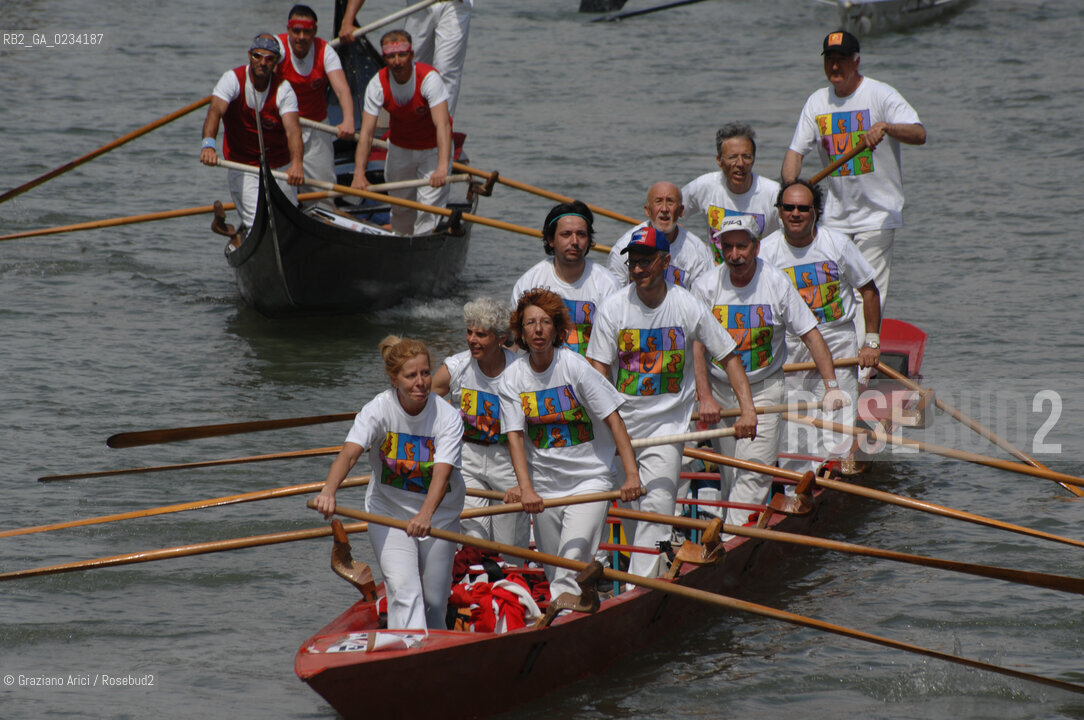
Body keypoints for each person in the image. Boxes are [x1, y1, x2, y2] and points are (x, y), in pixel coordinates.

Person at [587, 226, 756, 577]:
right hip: (620, 426)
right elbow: (598, 372)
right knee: (631, 512)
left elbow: (728, 355)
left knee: (656, 509)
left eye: (646, 262)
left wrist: (748, 408)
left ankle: (641, 588)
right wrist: (606, 427)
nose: (637, 269)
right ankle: (649, 568)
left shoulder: (686, 305)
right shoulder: (613, 309)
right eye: (633, 262)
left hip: (667, 429)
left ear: (665, 262)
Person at [691, 214, 847, 536]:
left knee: (755, 474)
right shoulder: (705, 286)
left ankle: (731, 540)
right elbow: (696, 345)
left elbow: (811, 334)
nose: (735, 254)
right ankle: (729, 533)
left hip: (764, 390)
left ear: (756, 247)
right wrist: (704, 395)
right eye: (728, 246)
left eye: (742, 246)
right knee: (731, 472)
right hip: (720, 390)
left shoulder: (775, 282)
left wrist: (831, 386)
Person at [498, 288, 643, 600]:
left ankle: (558, 628)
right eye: (530, 323)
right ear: (520, 332)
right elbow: (514, 436)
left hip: (590, 482)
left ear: (557, 329)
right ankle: (583, 608)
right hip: (544, 487)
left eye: (545, 322)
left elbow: (614, 420)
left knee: (568, 567)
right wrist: (525, 488)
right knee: (557, 572)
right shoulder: (512, 379)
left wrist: (631, 476)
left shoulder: (575, 367)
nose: (538, 330)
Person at [312, 335, 465, 631]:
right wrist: (329, 490)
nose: (420, 382)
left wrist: (425, 515)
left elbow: (442, 473)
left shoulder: (447, 417)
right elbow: (349, 455)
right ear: (394, 379)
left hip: (440, 515)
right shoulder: (378, 410)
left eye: (425, 373)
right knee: (405, 592)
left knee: (434, 601)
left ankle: (434, 650)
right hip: (389, 513)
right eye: (411, 376)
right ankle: (409, 652)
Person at [781, 30, 926, 339]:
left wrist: (887, 127)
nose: (835, 67)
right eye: (829, 60)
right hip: (834, 216)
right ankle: (832, 354)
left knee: (866, 290)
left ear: (856, 61)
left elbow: (919, 133)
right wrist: (790, 188)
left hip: (877, 215)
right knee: (830, 289)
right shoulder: (817, 102)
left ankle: (862, 362)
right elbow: (795, 152)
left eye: (842, 60)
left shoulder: (880, 94)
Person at [760, 179, 881, 474]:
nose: (796, 214)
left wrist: (872, 342)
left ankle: (834, 475)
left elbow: (868, 290)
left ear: (816, 212)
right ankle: (796, 484)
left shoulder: (837, 244)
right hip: (789, 346)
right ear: (779, 212)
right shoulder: (765, 251)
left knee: (837, 419)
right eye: (789, 208)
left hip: (837, 341)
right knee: (794, 424)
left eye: (804, 208)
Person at [432, 296, 529, 559]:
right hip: (469, 460)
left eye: (481, 334)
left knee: (510, 548)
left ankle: (513, 584)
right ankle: (478, 588)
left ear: (500, 338)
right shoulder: (457, 367)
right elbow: (422, 398)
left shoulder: (520, 370)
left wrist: (525, 483)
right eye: (469, 332)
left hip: (509, 462)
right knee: (473, 542)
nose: (472, 339)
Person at [200, 33, 304, 244]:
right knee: (258, 220)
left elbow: (293, 130)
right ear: (250, 55)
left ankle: (236, 234)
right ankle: (244, 234)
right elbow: (215, 111)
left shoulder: (284, 89)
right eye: (258, 56)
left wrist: (297, 164)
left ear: (276, 62)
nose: (263, 63)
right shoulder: (232, 80)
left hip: (279, 164)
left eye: (269, 58)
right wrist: (209, 146)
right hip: (243, 163)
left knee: (287, 219)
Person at [351, 30, 452, 235]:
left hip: (432, 151)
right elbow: (367, 134)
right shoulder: (377, 84)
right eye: (390, 56)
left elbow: (443, 125)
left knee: (427, 211)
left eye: (402, 54)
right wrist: (359, 174)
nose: (397, 62)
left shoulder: (428, 79)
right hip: (399, 149)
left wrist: (442, 168)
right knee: (400, 209)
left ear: (412, 55)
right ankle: (402, 242)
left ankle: (423, 241)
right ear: (384, 58)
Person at [511, 201, 621, 357]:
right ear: (551, 240)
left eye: (581, 234)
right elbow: (519, 340)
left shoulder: (608, 285)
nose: (574, 242)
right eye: (566, 234)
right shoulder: (529, 282)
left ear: (589, 240)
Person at [339, 0, 472, 118]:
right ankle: (407, 122)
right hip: (418, 5)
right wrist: (347, 21)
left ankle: (442, 130)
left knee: (446, 70)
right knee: (408, 66)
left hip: (454, 5)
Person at [275, 5, 355, 200]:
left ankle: (323, 212)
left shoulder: (325, 51)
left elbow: (341, 89)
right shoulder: (276, 48)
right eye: (296, 31)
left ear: (315, 32)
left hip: (316, 127)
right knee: (281, 190)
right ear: (288, 30)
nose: (301, 37)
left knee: (323, 193)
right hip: (282, 129)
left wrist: (349, 120)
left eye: (307, 32)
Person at [681, 123, 781, 266]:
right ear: (719, 160)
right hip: (718, 273)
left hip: (759, 273)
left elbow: (794, 238)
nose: (740, 163)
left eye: (746, 157)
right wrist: (694, 246)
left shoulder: (774, 193)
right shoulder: (704, 186)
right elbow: (670, 212)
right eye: (732, 157)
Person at [606, 182, 714, 291]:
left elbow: (703, 299)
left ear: (681, 211)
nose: (664, 209)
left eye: (670, 202)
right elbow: (614, 296)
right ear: (647, 211)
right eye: (658, 202)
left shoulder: (699, 253)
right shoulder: (623, 247)